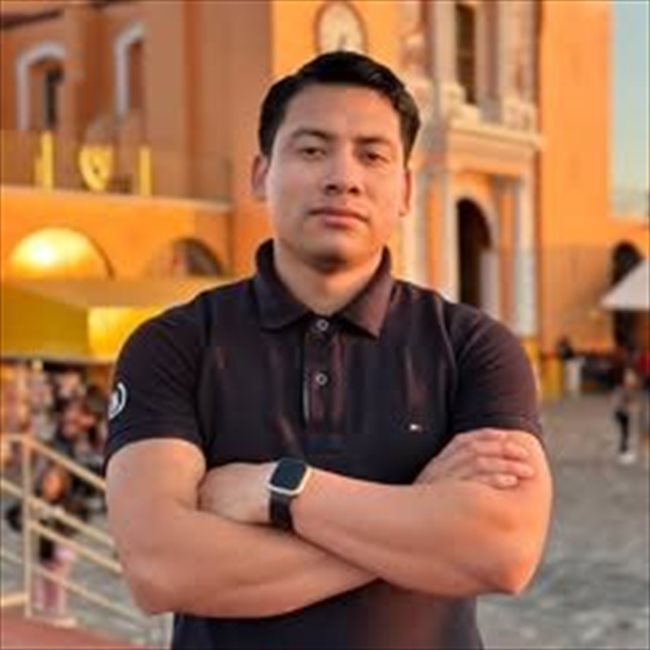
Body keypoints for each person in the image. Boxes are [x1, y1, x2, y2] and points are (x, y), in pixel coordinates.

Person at [105, 52, 552, 650]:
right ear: (260, 174)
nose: (343, 177)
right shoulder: (173, 345)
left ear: (405, 190)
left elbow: (503, 552)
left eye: (372, 155)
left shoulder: (474, 346)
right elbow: (160, 567)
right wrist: (420, 518)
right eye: (313, 150)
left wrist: (282, 491)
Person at [612, 367, 640, 464]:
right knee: (625, 433)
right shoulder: (623, 389)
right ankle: (623, 452)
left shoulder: (623, 389)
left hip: (622, 413)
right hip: (621, 413)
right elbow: (623, 401)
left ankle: (624, 450)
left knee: (625, 433)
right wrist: (632, 404)